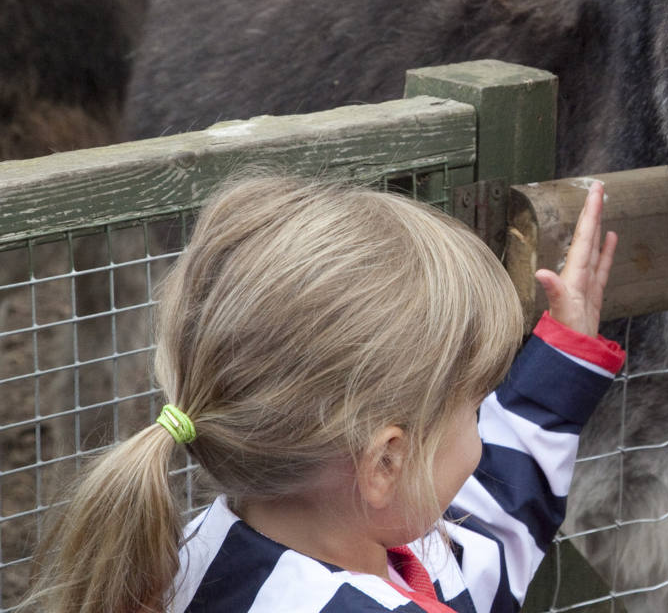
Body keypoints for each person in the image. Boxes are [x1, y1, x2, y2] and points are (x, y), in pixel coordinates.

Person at [21, 175, 623, 613]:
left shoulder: (193, 551)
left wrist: (564, 357)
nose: (480, 432)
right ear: (386, 461)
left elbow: (490, 530)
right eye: (474, 409)